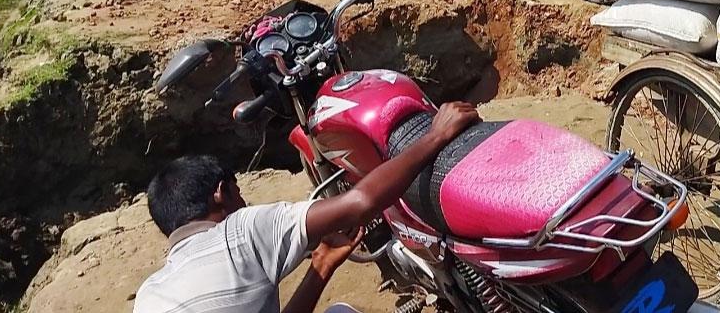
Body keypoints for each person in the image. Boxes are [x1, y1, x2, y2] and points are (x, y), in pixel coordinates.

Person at [132, 101, 481, 313]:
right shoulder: (239, 231)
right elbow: (360, 202)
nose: (245, 202)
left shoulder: (151, 293)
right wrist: (436, 135)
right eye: (239, 193)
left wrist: (321, 265)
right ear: (220, 193)